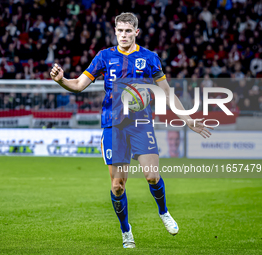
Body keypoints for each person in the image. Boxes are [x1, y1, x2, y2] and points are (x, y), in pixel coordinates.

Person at [50, 12, 212, 248]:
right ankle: (126, 231)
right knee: (117, 186)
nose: (123, 35)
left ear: (136, 32)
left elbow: (167, 92)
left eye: (128, 31)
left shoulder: (149, 58)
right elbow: (78, 85)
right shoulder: (104, 57)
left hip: (140, 124)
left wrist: (187, 119)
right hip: (113, 126)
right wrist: (62, 81)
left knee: (152, 175)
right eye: (119, 31)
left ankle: (164, 212)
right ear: (114, 31)